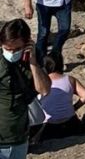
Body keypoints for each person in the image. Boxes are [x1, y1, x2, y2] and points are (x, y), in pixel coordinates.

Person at [0, 19, 51, 159]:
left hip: (19, 139)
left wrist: (33, 63)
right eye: (7, 49)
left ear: (27, 44)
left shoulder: (32, 59)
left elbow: (44, 90)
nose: (11, 53)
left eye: (17, 49)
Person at [28, 54, 85, 143]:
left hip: (49, 126)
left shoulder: (40, 84)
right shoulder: (70, 79)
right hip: (71, 122)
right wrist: (74, 107)